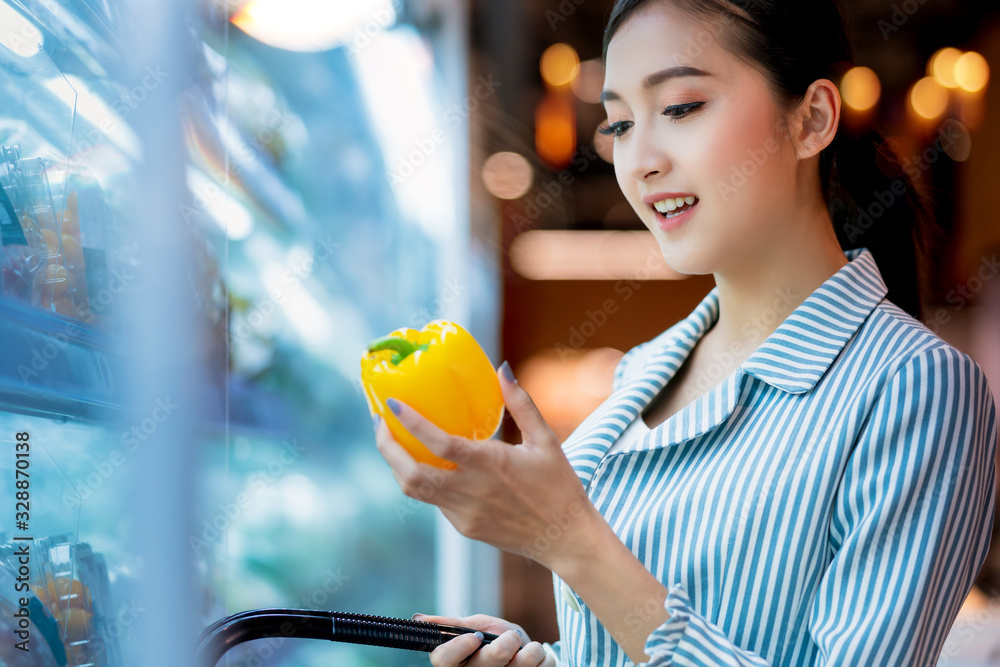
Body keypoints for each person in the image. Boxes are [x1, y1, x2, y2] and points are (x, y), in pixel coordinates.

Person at [372, 0, 999, 664]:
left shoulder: (914, 387)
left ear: (811, 118)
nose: (638, 159)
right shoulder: (641, 372)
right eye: (618, 122)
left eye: (680, 108)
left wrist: (571, 539)